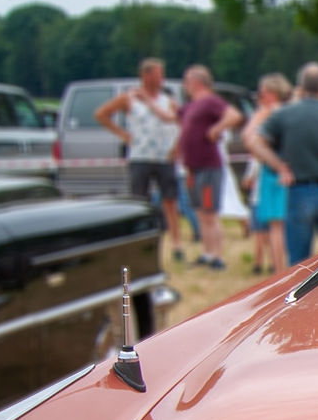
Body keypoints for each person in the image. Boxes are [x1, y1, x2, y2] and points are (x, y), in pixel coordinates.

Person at [246, 62, 318, 266]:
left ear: (300, 88)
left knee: (298, 261)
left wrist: (279, 166)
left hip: (297, 190)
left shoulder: (284, 115)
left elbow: (255, 142)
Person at [94, 58, 183, 261]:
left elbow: (180, 121)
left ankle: (177, 243)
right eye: (158, 75)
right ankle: (140, 241)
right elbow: (101, 114)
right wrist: (123, 134)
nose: (162, 79)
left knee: (170, 200)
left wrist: (176, 147)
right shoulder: (129, 98)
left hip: (163, 156)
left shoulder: (167, 100)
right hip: (140, 155)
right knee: (139, 200)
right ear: (146, 75)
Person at [177, 65, 244, 270]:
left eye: (187, 81)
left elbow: (234, 115)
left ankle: (217, 256)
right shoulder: (191, 105)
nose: (185, 85)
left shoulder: (210, 101)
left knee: (210, 212)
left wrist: (216, 128)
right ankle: (207, 252)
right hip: (192, 167)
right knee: (199, 211)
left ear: (198, 82)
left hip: (208, 166)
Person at [242, 73, 292, 274]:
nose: (259, 99)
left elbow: (248, 139)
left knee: (276, 226)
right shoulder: (290, 111)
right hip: (289, 170)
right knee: (285, 224)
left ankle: (278, 269)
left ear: (271, 94)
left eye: (261, 94)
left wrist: (256, 116)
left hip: (272, 173)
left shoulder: (268, 114)